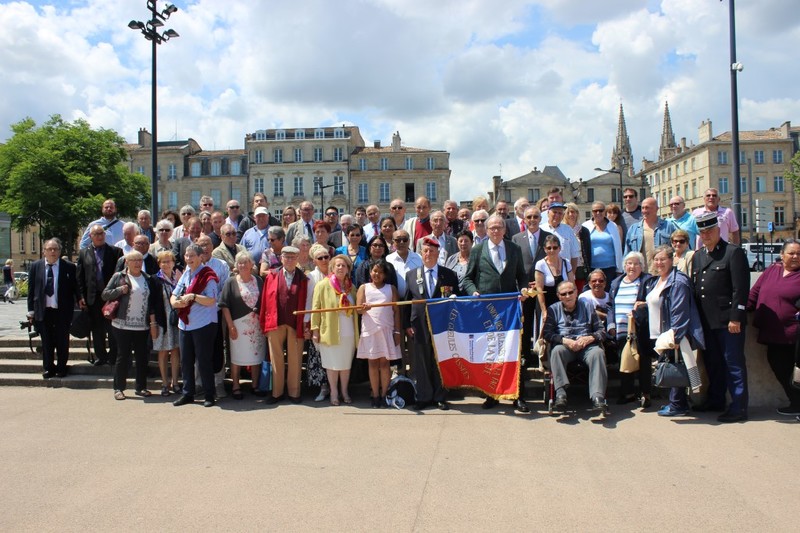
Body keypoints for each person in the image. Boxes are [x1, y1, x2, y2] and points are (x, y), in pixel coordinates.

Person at [463, 214, 530, 412]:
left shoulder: (514, 249)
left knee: (515, 353)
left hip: (509, 311)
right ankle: (491, 395)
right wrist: (473, 292)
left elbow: (522, 277)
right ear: (486, 229)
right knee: (490, 353)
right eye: (491, 227)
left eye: (498, 227)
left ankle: (518, 395)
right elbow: (467, 279)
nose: (494, 230)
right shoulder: (477, 250)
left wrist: (524, 290)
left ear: (504, 229)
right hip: (487, 310)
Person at [691, 212, 750, 422]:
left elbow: (740, 289)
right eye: (702, 231)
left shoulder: (733, 253)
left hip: (728, 321)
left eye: (709, 230)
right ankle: (716, 400)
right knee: (713, 363)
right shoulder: (698, 256)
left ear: (719, 229)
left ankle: (739, 407)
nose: (706, 235)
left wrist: (736, 317)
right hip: (707, 321)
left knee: (733, 363)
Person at [636, 245, 705, 417]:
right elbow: (659, 302)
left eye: (663, 259)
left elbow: (680, 310)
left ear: (672, 259)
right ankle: (676, 403)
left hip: (672, 333)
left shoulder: (678, 281)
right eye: (656, 259)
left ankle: (678, 405)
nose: (659, 263)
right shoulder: (658, 279)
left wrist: (675, 336)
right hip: (659, 333)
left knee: (676, 367)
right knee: (673, 366)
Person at [404, 237, 460, 410]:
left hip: (442, 326)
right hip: (419, 324)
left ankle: (440, 396)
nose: (428, 254)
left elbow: (456, 301)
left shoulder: (449, 274)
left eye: (432, 251)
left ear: (438, 253)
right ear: (421, 254)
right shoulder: (412, 274)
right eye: (425, 251)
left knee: (439, 361)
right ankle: (423, 396)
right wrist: (407, 325)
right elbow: (407, 301)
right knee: (420, 361)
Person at [102, 250, 164, 401]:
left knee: (142, 357)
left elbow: (152, 302)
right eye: (134, 260)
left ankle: (141, 387)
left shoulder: (147, 278)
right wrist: (119, 290)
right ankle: (119, 388)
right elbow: (105, 294)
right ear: (126, 262)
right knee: (123, 357)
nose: (137, 263)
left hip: (142, 326)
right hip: (122, 325)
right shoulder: (119, 277)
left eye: (139, 260)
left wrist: (153, 323)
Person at [747, 239, 800, 416]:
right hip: (772, 332)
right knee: (779, 366)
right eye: (791, 253)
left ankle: (797, 403)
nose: (795, 256)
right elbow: (754, 293)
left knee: (793, 371)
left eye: (799, 254)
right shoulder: (772, 270)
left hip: (794, 334)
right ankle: (796, 403)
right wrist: (738, 311)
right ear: (782, 255)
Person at [542, 281, 608, 413]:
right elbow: (547, 333)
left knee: (598, 353)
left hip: (586, 345)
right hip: (566, 346)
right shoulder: (553, 309)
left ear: (576, 293)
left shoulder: (588, 306)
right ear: (558, 296)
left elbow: (601, 331)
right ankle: (560, 395)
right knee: (556, 351)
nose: (567, 296)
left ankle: (597, 397)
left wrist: (589, 338)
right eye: (563, 294)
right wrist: (563, 340)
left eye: (570, 292)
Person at [259, 246, 311, 404]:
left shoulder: (304, 278)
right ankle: (277, 393)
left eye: (292, 257)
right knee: (276, 357)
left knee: (295, 358)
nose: (289, 260)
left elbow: (308, 303)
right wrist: (264, 324)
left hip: (296, 323)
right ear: (281, 258)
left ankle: (294, 393)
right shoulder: (272, 276)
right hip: (275, 322)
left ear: (297, 259)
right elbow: (264, 302)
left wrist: (307, 325)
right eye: (286, 257)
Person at [171, 244, 220, 408]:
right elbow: (174, 293)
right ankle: (188, 393)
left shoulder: (208, 275)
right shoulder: (186, 273)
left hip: (203, 323)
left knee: (204, 360)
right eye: (186, 255)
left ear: (200, 257)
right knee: (186, 360)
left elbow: (211, 300)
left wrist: (193, 296)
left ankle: (209, 394)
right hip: (185, 324)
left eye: (192, 256)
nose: (189, 259)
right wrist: (175, 302)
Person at [26, 238, 80, 378]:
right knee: (47, 341)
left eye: (55, 249)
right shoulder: (36, 266)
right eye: (49, 249)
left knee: (62, 340)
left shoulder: (68, 267)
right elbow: (31, 291)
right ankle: (48, 367)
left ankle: (62, 367)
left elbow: (75, 288)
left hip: (61, 311)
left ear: (59, 251)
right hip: (43, 311)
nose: (52, 252)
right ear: (44, 251)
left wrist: (80, 300)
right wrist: (30, 311)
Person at [311, 255, 359, 406]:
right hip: (330, 331)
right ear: (332, 268)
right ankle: (334, 392)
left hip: (349, 331)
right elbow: (316, 309)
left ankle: (344, 390)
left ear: (348, 269)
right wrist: (315, 330)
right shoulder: (322, 285)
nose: (340, 268)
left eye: (343, 266)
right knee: (332, 364)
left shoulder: (352, 288)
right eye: (337, 265)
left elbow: (357, 308)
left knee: (345, 364)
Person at [76, 224, 124, 366]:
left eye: (101, 233)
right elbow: (79, 277)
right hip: (93, 297)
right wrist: (81, 297)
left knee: (112, 328)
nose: (99, 236)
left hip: (111, 297)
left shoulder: (116, 252)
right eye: (96, 234)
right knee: (97, 329)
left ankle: (113, 356)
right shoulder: (84, 253)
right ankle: (101, 356)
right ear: (90, 236)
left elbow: (121, 275)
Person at [220, 252, 266, 400]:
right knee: (237, 356)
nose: (243, 265)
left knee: (256, 354)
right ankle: (235, 385)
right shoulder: (231, 282)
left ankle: (255, 385)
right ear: (236, 265)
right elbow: (224, 305)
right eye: (240, 262)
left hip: (256, 324)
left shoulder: (258, 280)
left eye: (246, 262)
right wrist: (230, 325)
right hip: (238, 324)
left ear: (252, 265)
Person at [357, 259, 402, 408]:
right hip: (370, 330)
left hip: (386, 329)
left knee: (384, 363)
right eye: (374, 271)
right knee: (372, 363)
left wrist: (397, 331)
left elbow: (396, 312)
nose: (377, 274)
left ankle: (384, 395)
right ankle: (375, 395)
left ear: (384, 275)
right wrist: (364, 308)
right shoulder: (363, 288)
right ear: (370, 272)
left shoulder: (391, 289)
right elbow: (358, 310)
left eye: (380, 272)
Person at [608, 252, 651, 406]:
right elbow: (610, 307)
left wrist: (642, 306)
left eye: (636, 264)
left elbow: (653, 301)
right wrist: (611, 325)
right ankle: (628, 393)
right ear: (624, 265)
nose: (632, 267)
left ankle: (645, 393)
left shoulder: (647, 281)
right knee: (624, 361)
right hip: (621, 331)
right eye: (629, 263)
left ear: (642, 266)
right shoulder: (616, 283)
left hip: (639, 329)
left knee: (643, 361)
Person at [512, 206, 552, 359]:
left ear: (540, 219)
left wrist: (541, 281)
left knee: (544, 320)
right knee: (526, 321)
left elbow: (552, 260)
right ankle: (526, 356)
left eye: (535, 217)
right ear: (524, 219)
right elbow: (515, 264)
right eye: (529, 217)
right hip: (525, 288)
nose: (532, 220)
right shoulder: (517, 238)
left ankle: (544, 354)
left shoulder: (548, 237)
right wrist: (522, 285)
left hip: (543, 287)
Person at [153, 250, 181, 396]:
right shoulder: (155, 279)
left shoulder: (178, 279)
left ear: (173, 263)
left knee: (176, 350)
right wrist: (153, 323)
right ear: (159, 264)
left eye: (169, 261)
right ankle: (165, 383)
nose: (166, 264)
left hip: (176, 321)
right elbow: (151, 304)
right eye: (163, 261)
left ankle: (175, 382)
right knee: (163, 351)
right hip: (162, 321)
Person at [307, 245, 332, 401]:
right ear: (314, 261)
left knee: (334, 353)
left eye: (326, 257)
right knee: (319, 354)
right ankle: (324, 387)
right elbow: (308, 302)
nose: (324, 260)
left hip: (334, 320)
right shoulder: (310, 277)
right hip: (318, 320)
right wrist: (309, 324)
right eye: (320, 258)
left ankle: (335, 386)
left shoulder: (336, 273)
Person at [624, 197, 676, 270]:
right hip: (640, 274)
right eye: (643, 208)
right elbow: (627, 254)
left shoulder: (668, 226)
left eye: (647, 208)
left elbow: (675, 251)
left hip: (662, 273)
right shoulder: (633, 229)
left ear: (656, 209)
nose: (644, 211)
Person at [582, 201, 622, 289]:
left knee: (608, 294)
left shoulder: (612, 226)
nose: (598, 213)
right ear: (592, 212)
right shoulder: (585, 226)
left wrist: (619, 269)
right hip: (591, 268)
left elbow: (618, 248)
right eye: (595, 211)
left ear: (605, 212)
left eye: (601, 210)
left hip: (610, 268)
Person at [535, 235, 574, 316]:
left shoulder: (566, 263)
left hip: (565, 305)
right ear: (545, 249)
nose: (552, 250)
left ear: (559, 248)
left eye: (555, 247)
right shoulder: (540, 265)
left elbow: (572, 285)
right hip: (548, 305)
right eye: (549, 248)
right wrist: (544, 310)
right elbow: (539, 290)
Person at [540, 202, 580, 273]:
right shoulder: (541, 229)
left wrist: (572, 274)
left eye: (560, 213)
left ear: (563, 215)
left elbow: (574, 255)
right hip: (545, 273)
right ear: (548, 213)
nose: (557, 215)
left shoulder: (568, 230)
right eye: (554, 212)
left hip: (564, 272)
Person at [564, 202, 592, 291]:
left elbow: (588, 251)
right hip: (566, 267)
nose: (571, 214)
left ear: (577, 213)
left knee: (580, 292)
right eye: (568, 212)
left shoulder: (583, 230)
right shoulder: (562, 229)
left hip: (580, 267)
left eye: (573, 212)